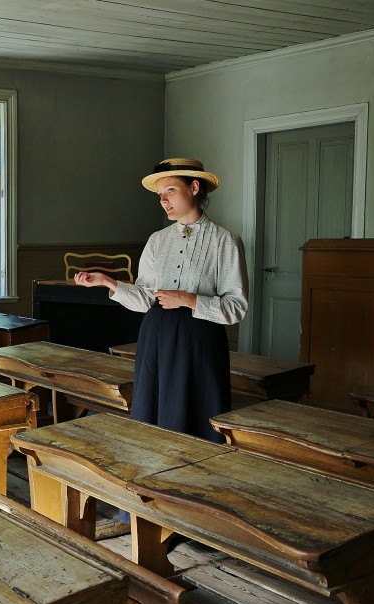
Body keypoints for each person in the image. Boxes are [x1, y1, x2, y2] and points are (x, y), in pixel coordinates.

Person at [74, 158, 248, 443]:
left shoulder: (225, 241)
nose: (164, 201)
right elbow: (145, 298)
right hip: (157, 336)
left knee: (196, 417)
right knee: (153, 417)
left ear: (194, 187)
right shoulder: (157, 240)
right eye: (160, 196)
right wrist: (108, 282)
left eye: (170, 191)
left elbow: (237, 307)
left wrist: (191, 300)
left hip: (199, 340)